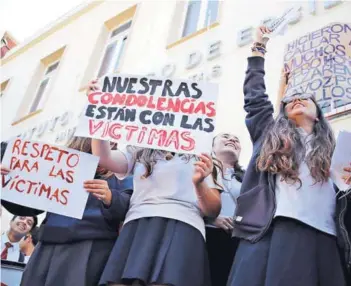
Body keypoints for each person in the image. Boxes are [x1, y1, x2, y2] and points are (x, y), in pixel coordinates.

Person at [226, 26, 351, 286]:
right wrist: (258, 48)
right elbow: (255, 97)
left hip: (324, 236)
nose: (297, 99)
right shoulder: (268, 136)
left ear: (318, 115)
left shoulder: (339, 149)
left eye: (305, 98)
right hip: (273, 231)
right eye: (291, 98)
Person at [86, 78, 222, 286]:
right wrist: (99, 112)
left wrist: (199, 183)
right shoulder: (139, 147)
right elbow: (105, 159)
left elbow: (213, 209)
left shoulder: (203, 155)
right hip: (139, 224)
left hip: (184, 225)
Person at [1, 137, 133, 286]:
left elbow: (129, 207)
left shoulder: (121, 172)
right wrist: (7, 183)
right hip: (48, 245)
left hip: (91, 248)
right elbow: (28, 207)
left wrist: (111, 197)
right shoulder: (59, 167)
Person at [205, 133, 244, 286]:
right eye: (225, 137)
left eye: (237, 139)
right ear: (212, 147)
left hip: (237, 240)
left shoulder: (248, 178)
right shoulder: (198, 170)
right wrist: (211, 218)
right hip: (206, 235)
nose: (232, 140)